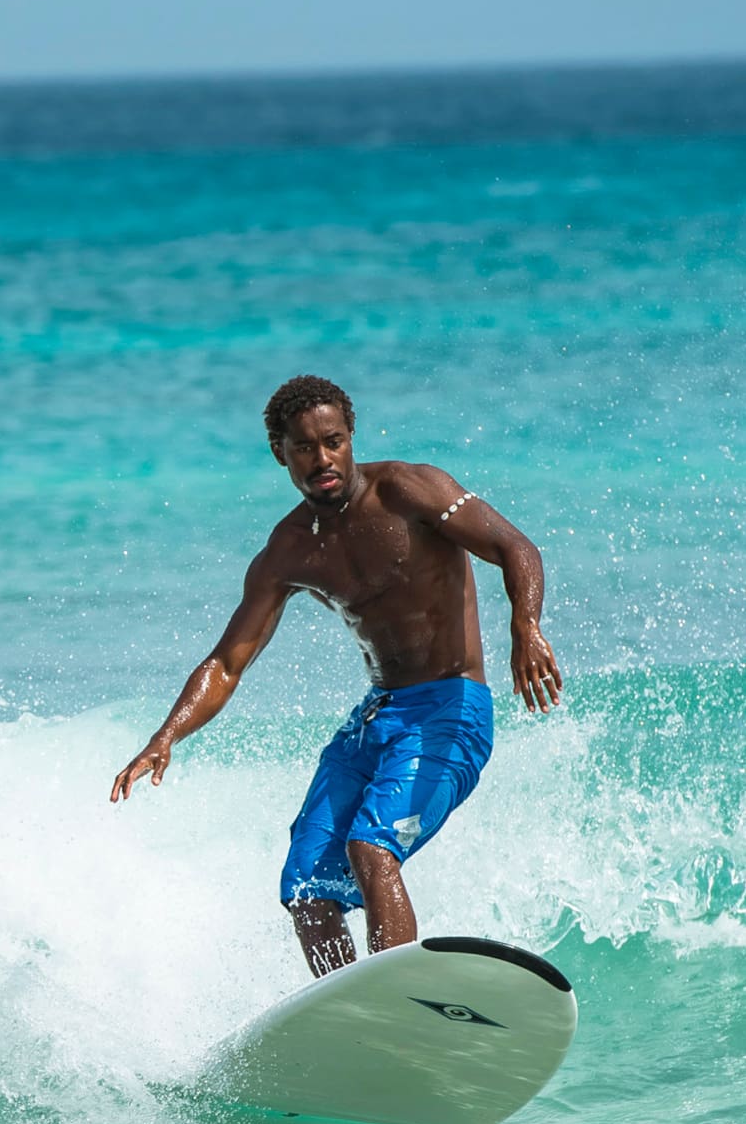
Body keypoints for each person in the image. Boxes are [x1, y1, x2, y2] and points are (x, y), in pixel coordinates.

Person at [109, 376, 562, 977]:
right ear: (280, 452)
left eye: (334, 441)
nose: (322, 459)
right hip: (376, 718)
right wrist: (166, 736)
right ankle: (349, 1016)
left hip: (451, 711)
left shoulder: (408, 489)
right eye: (304, 447)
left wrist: (525, 628)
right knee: (306, 887)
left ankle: (400, 997)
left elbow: (516, 547)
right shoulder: (288, 550)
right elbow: (226, 662)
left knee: (371, 849)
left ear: (351, 438)